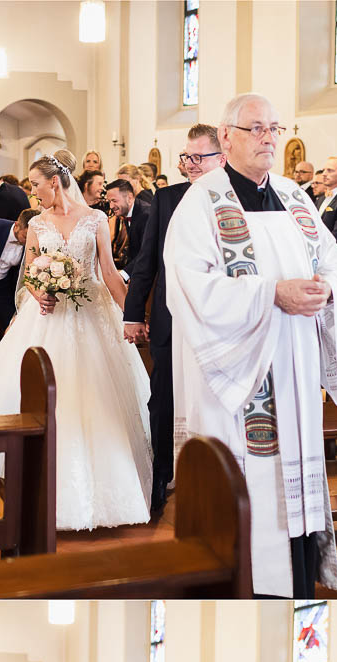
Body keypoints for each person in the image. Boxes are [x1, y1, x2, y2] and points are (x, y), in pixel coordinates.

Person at [168, 92, 337, 598]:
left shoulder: (297, 198)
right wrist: (272, 293)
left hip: (293, 366)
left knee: (290, 483)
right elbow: (191, 287)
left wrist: (326, 290)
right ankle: (235, 586)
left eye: (275, 127)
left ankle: (293, 583)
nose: (270, 137)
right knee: (247, 485)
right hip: (237, 372)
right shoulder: (201, 203)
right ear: (226, 137)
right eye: (256, 128)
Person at [0, 150, 153, 530]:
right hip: (46, 318)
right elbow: (30, 272)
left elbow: (111, 274)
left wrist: (130, 316)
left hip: (90, 314)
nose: (33, 193)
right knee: (35, 393)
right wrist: (39, 292)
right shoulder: (37, 223)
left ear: (54, 181)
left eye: (35, 185)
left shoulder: (97, 219)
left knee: (93, 397)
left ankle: (103, 496)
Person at [122, 124, 224, 518]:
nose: (190, 165)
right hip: (169, 317)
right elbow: (146, 263)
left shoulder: (233, 199)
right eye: (186, 157)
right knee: (163, 397)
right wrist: (133, 314)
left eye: (199, 157)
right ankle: (160, 479)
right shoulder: (165, 199)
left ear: (222, 158)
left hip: (215, 320)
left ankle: (214, 481)